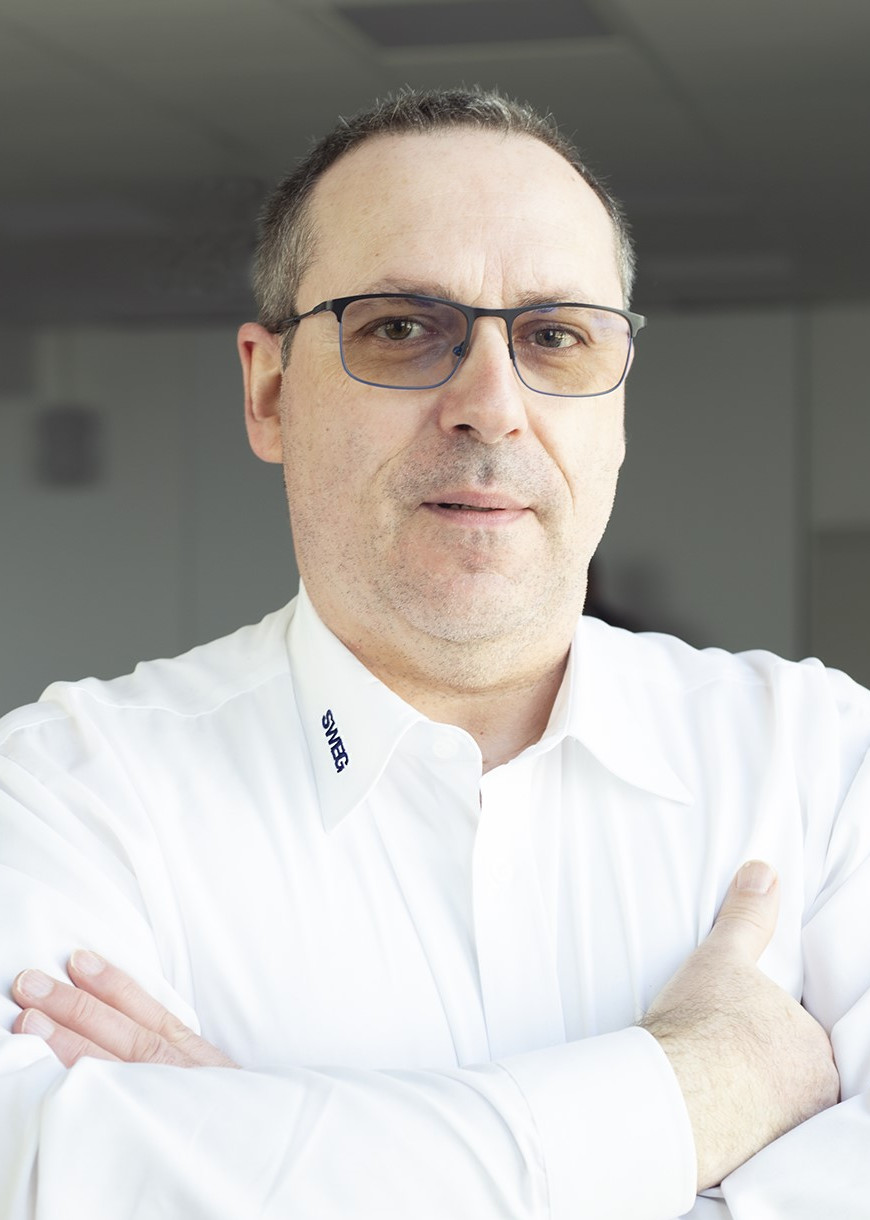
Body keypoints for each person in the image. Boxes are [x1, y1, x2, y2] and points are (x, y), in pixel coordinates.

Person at [0, 87, 867, 1219]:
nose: (491, 406)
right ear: (269, 391)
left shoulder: (823, 763)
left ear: (617, 406)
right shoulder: (65, 792)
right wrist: (690, 1096)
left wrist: (255, 1160)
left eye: (556, 336)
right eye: (403, 328)